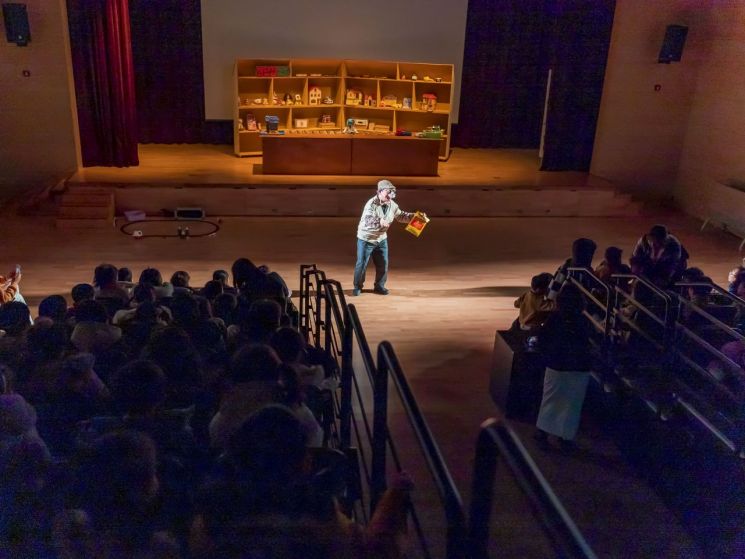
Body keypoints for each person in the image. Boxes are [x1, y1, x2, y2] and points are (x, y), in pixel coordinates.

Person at [534, 285, 593, 451]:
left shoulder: (555, 318)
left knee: (550, 399)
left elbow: (543, 338)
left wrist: (546, 356)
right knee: (571, 404)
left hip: (556, 364)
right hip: (578, 367)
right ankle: (564, 436)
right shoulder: (583, 320)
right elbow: (590, 340)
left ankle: (543, 431)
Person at [353, 179, 424, 296]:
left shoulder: (393, 204)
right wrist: (380, 221)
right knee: (362, 263)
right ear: (379, 192)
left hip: (381, 238)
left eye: (392, 192)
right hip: (367, 238)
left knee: (383, 263)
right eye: (388, 192)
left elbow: (401, 216)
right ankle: (357, 286)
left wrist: (416, 217)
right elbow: (368, 219)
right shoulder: (371, 204)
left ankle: (379, 286)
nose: (390, 195)